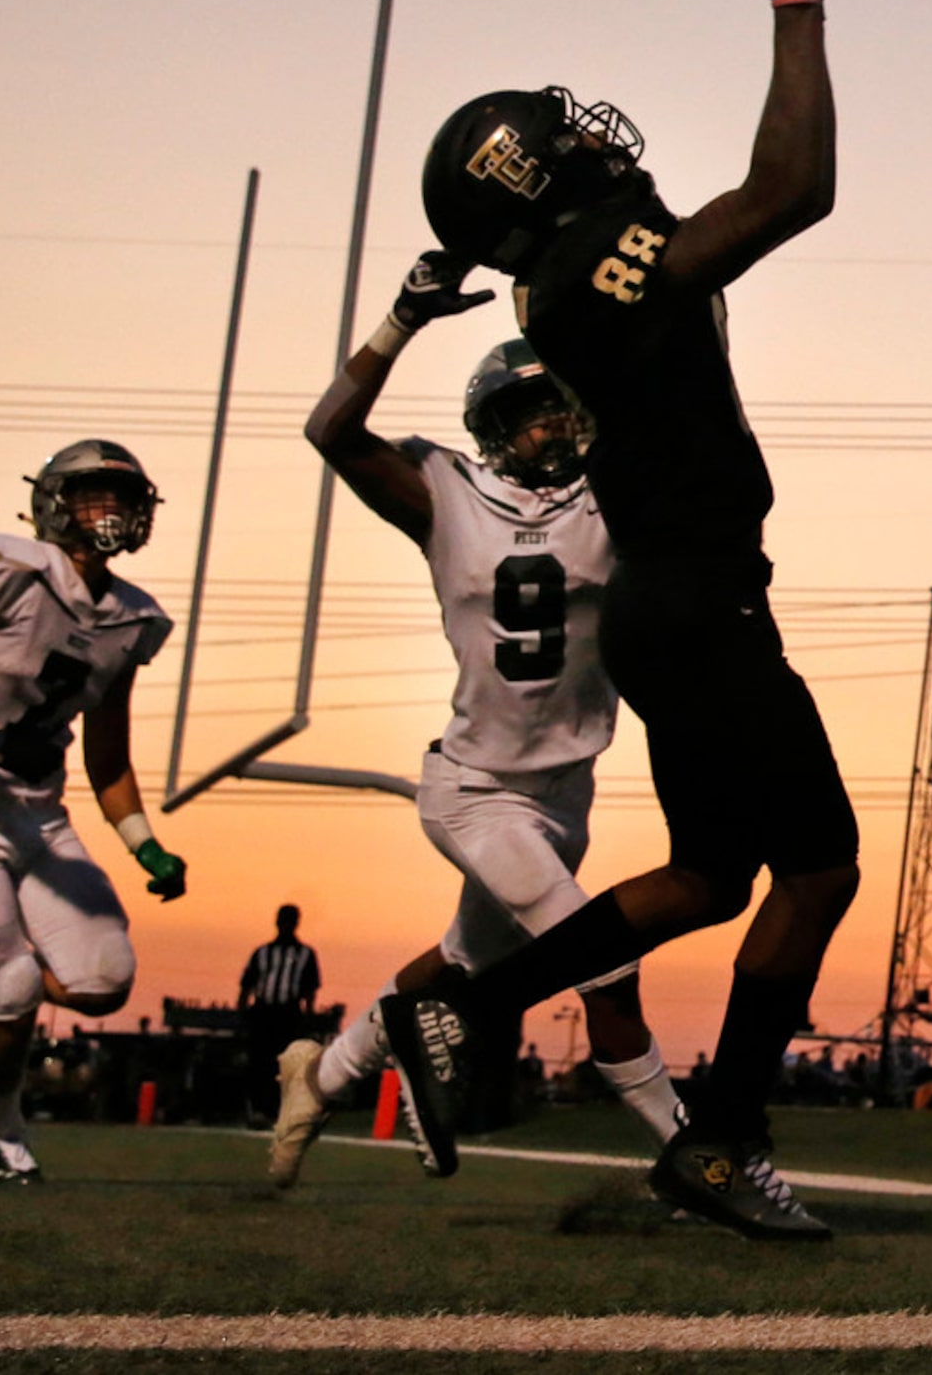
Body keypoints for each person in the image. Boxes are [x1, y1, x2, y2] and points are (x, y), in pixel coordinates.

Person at [377, 0, 860, 1242]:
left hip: (671, 599)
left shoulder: (578, 254)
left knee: (712, 876)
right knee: (818, 864)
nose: (590, 131)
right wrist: (798, 5)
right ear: (525, 178)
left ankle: (462, 1010)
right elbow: (788, 195)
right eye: (559, 131)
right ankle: (723, 1137)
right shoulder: (585, 259)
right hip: (701, 599)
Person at [267, 317, 682, 1189]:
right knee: (606, 963)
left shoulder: (612, 491)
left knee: (464, 963)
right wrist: (401, 320)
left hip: (566, 794)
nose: (558, 427)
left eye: (566, 408)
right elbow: (329, 431)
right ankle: (693, 1157)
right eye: (535, 413)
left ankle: (325, 1073)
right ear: (493, 430)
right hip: (476, 790)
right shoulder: (443, 492)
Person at [0, 440, 186, 1184]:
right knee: (13, 992)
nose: (109, 511)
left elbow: (107, 757)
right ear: (53, 503)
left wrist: (145, 844)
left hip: (39, 818)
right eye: (92, 495)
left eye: (122, 498)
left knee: (103, 982)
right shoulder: (7, 568)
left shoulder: (132, 617)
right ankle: (1, 1132)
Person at [237, 903, 320, 1127]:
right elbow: (247, 987)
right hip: (263, 1012)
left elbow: (310, 992)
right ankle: (258, 1109)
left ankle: (277, 1111)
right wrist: (243, 1017)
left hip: (288, 1014)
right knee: (260, 1063)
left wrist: (307, 1022)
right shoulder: (263, 953)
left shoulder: (305, 954)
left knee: (285, 1065)